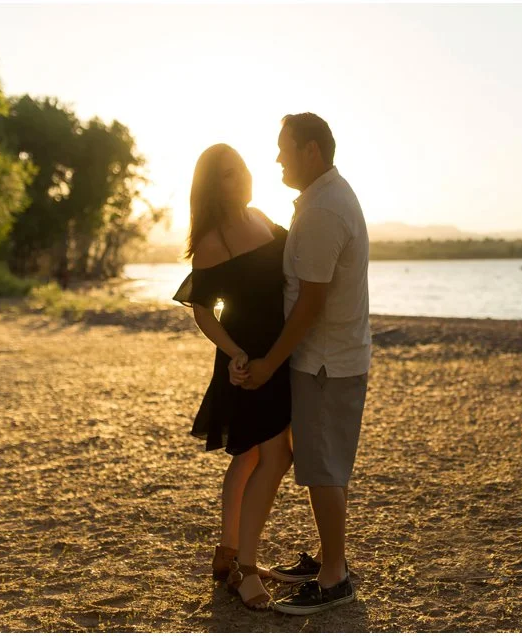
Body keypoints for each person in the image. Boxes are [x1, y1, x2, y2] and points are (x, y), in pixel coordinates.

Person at [231, 113, 371, 615]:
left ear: (311, 151)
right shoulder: (322, 200)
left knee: (323, 470)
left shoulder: (323, 211)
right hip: (328, 360)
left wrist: (269, 362)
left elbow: (310, 304)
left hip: (326, 364)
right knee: (320, 464)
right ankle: (329, 559)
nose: (277, 159)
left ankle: (335, 578)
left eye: (283, 149)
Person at [173, 143, 292, 610]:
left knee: (247, 459)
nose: (238, 176)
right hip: (246, 361)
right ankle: (243, 568)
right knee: (273, 456)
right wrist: (235, 352)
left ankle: (228, 554)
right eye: (225, 174)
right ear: (210, 186)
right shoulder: (212, 240)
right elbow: (202, 308)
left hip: (282, 353)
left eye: (240, 167)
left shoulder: (262, 216)